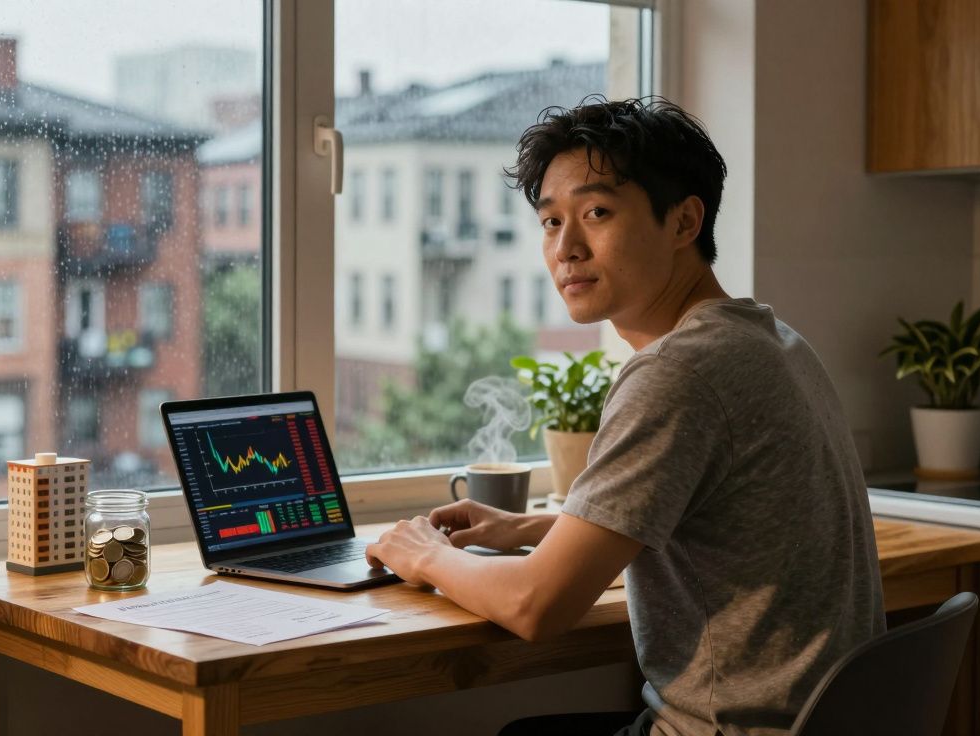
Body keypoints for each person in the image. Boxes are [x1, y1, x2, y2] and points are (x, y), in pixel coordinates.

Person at [364, 97, 885, 736]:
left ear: (684, 221)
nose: (567, 248)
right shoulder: (770, 340)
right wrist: (530, 528)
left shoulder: (677, 371)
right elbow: (720, 518)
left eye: (597, 213)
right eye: (551, 222)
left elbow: (535, 607)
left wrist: (423, 555)